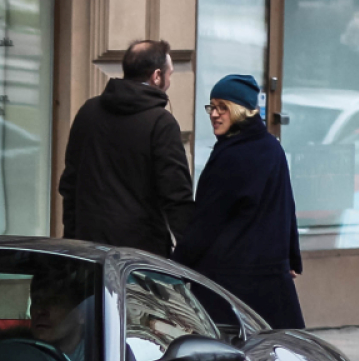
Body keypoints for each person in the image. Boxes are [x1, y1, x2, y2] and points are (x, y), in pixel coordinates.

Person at [172, 74, 305, 330]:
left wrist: (176, 266)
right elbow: (287, 207)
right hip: (267, 278)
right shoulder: (270, 147)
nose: (214, 114)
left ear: (241, 111)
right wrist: (291, 258)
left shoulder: (231, 157)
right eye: (212, 106)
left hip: (230, 282)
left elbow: (206, 223)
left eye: (224, 107)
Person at [58, 39, 194, 257]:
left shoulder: (88, 112)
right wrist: (190, 253)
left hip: (88, 251)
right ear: (157, 76)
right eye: (170, 74)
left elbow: (69, 184)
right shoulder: (161, 122)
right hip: (141, 257)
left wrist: (72, 237)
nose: (169, 80)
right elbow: (176, 197)